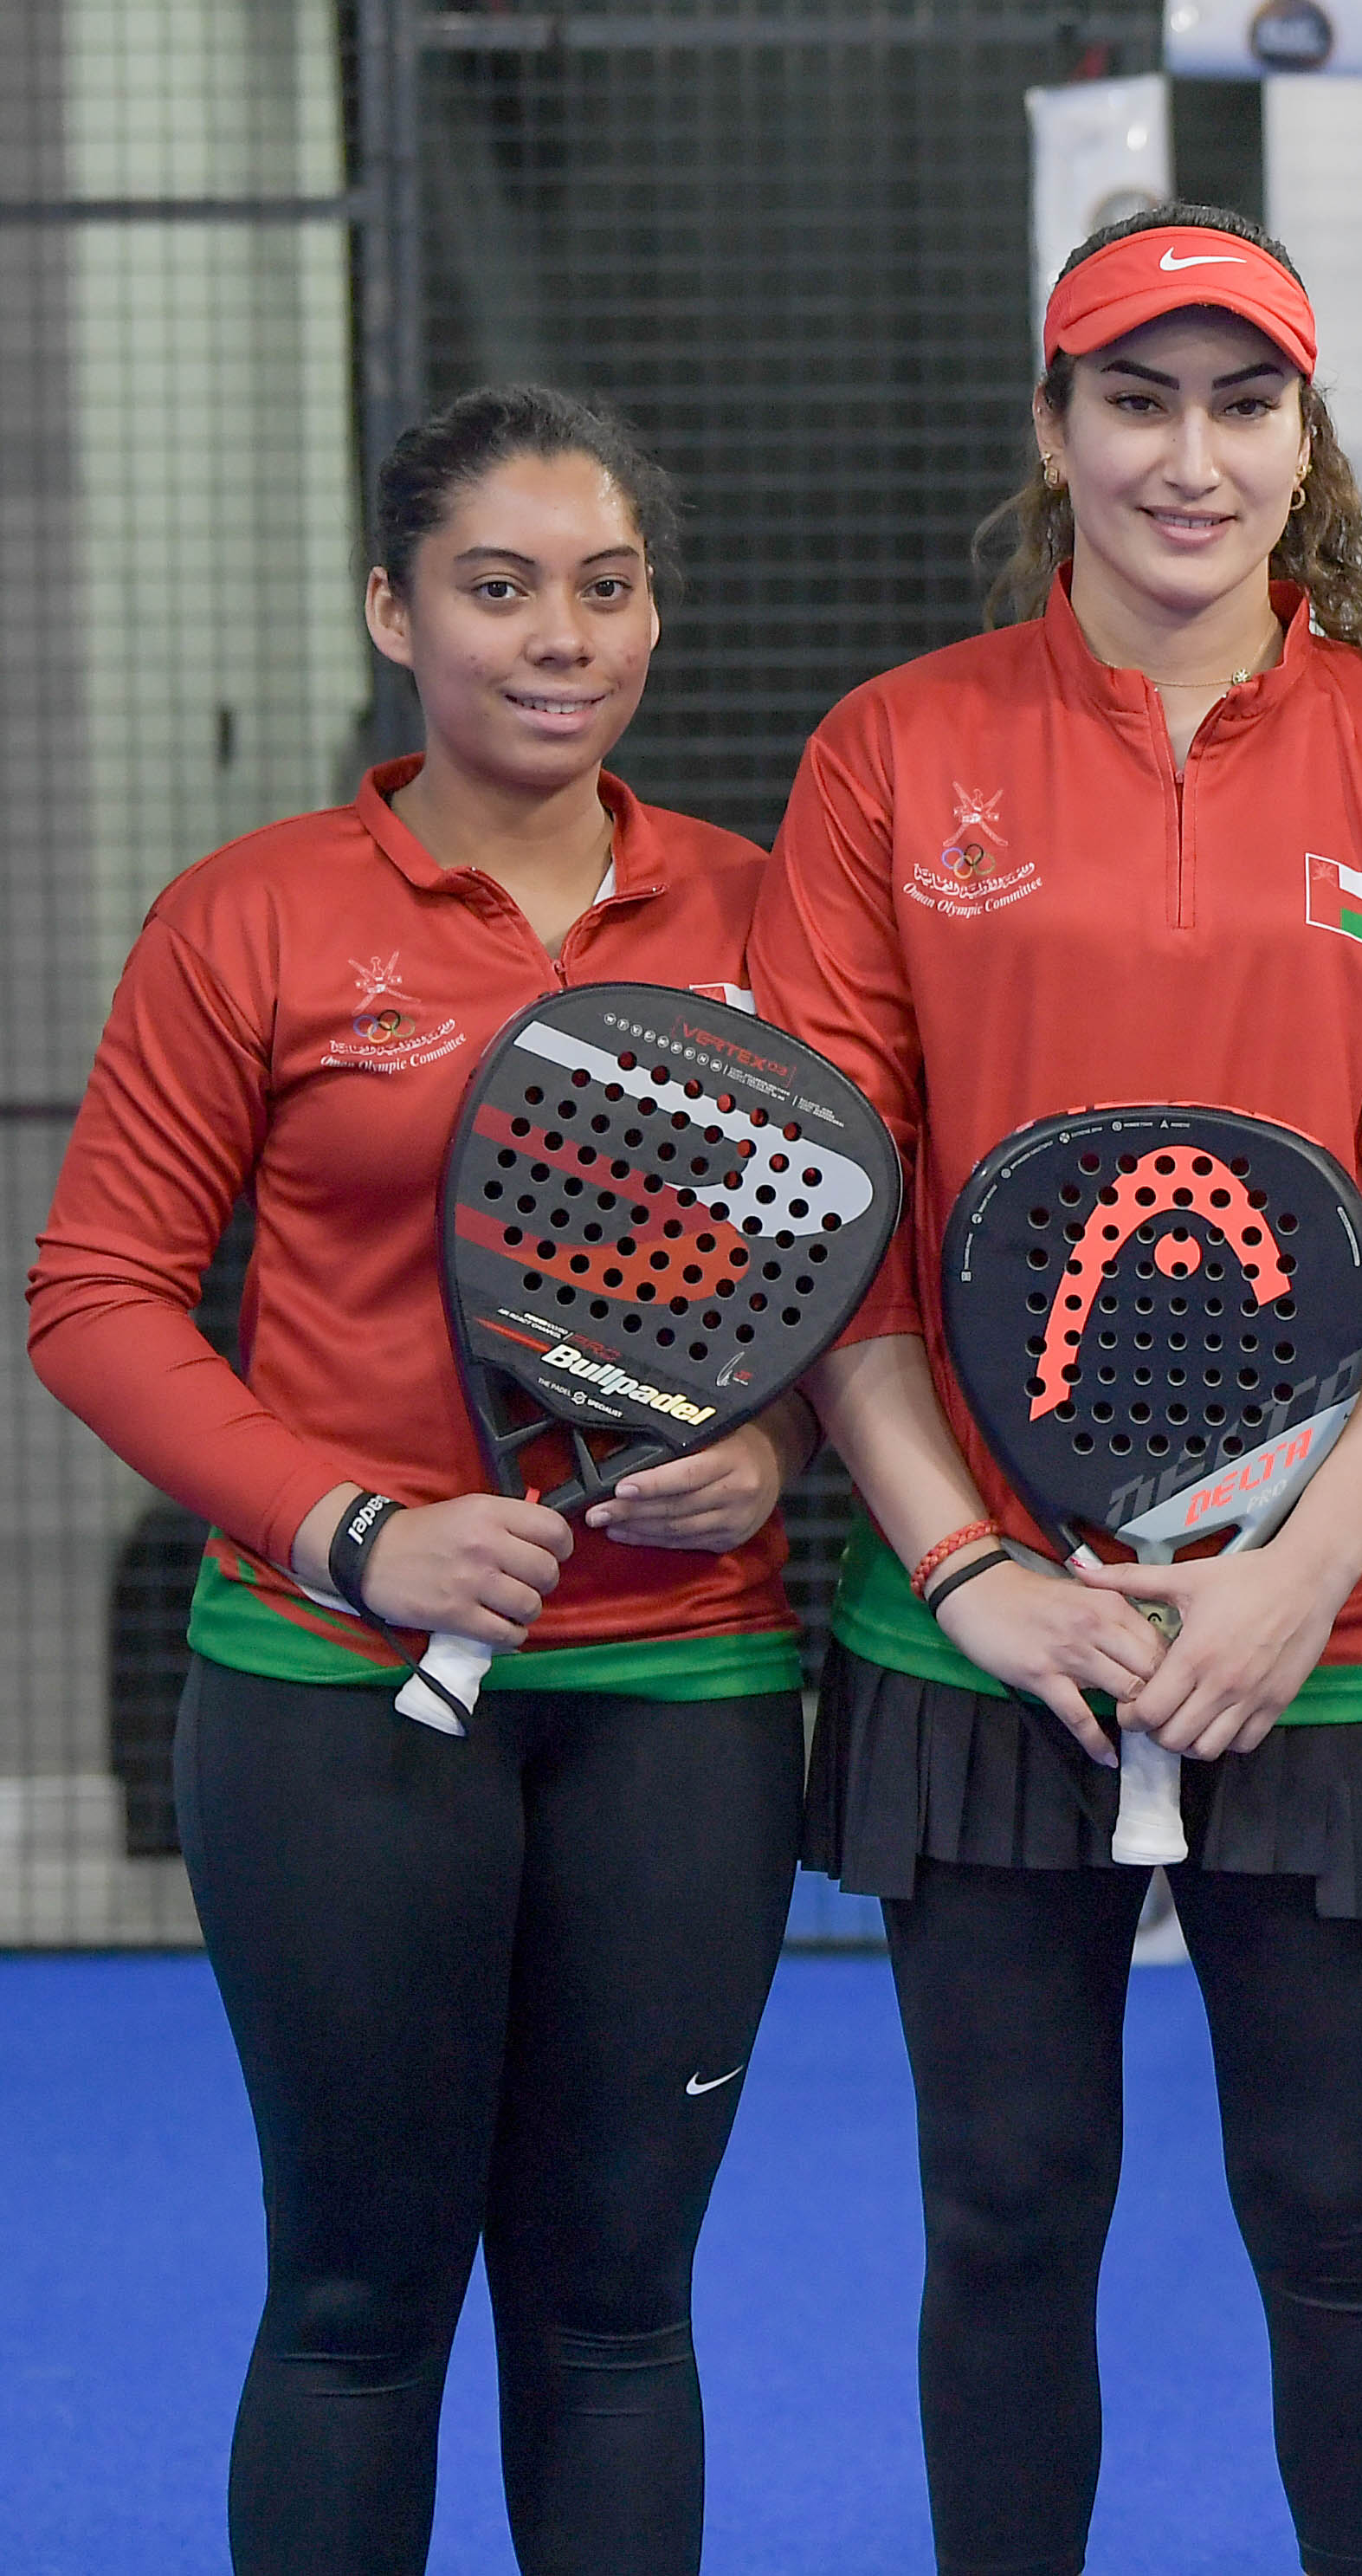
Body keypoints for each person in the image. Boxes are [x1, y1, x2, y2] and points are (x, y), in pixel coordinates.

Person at [747, 204, 1362, 2576]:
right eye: (1137, 399)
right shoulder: (896, 752)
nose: (1189, 457)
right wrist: (971, 1564)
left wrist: (1301, 1564)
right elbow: (836, 1202)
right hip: (977, 1635)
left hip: (1340, 1621)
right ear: (1053, 427)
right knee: (1005, 2211)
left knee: (1343, 2218)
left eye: (1242, 402)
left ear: (1304, 436)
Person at [27, 387, 804, 2575]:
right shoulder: (251, 920)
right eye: (496, 585)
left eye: (606, 582)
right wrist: (351, 1527)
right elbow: (94, 1295)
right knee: (361, 2303)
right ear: (393, 611)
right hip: (327, 1694)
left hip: (685, 1704)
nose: (559, 633)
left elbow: (866, 1286)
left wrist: (777, 1448)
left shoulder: (765, 918)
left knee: (620, 2314)